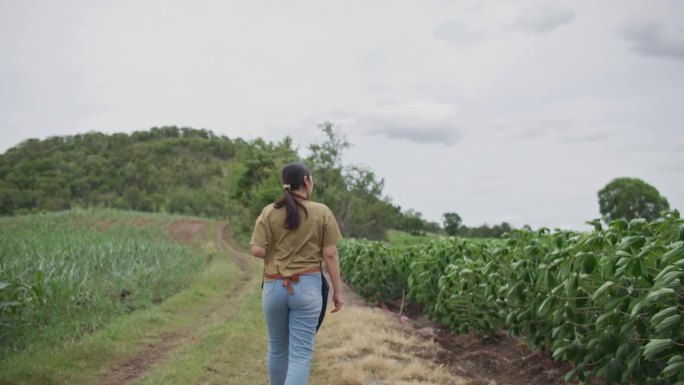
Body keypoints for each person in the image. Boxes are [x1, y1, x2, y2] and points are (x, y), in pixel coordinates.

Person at [250, 161, 344, 385]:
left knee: (277, 349)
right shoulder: (322, 211)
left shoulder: (269, 211)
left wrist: (281, 253)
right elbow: (330, 255)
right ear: (306, 181)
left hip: (273, 287)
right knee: (300, 355)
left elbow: (257, 250)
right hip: (307, 288)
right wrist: (337, 292)